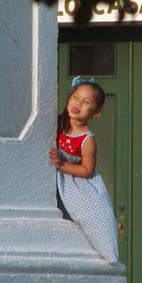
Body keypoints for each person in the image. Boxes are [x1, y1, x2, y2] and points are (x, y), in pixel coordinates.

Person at [48, 76, 119, 263]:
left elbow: (87, 170)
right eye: (76, 97)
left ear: (96, 112)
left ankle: (106, 255)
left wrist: (63, 165)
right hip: (51, 178)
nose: (78, 103)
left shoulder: (87, 139)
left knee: (94, 216)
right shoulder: (55, 121)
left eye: (86, 102)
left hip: (76, 182)